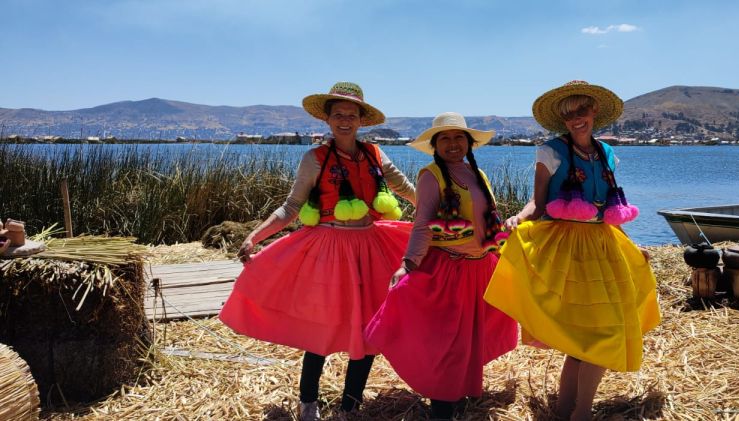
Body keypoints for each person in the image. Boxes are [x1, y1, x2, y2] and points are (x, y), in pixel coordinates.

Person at [218, 82, 417, 421]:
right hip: (329, 248)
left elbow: (404, 187)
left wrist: (435, 211)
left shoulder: (375, 155)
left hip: (370, 246)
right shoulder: (314, 159)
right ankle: (308, 404)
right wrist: (256, 236)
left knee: (369, 329)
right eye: (338, 114)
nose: (345, 120)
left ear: (360, 120)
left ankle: (349, 408)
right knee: (321, 329)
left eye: (351, 115)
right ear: (327, 119)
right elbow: (292, 206)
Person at [483, 80, 661, 421]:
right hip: (566, 247)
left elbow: (608, 207)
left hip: (603, 246)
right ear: (562, 121)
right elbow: (539, 200)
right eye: (569, 114)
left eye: (582, 111)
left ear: (594, 112)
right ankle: (579, 414)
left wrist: (632, 245)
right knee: (593, 335)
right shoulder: (550, 152)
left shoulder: (606, 153)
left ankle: (569, 412)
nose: (576, 118)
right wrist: (517, 218)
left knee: (590, 336)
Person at [363, 112, 518, 419]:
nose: (452, 144)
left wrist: (505, 252)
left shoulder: (478, 174)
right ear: (434, 145)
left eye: (458, 137)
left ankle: (457, 393)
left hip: (479, 268)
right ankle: (442, 407)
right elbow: (421, 224)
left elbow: (490, 220)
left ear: (469, 143)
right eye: (444, 138)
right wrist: (408, 264)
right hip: (448, 269)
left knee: (469, 338)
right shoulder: (430, 175)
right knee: (446, 340)